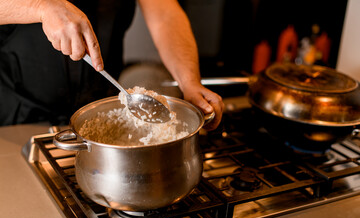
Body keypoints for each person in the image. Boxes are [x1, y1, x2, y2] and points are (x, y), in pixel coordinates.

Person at [0, 0, 224, 130]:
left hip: (98, 106)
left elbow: (164, 13)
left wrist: (190, 82)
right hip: (16, 117)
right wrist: (41, 6)